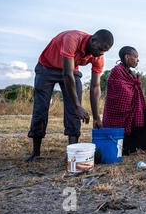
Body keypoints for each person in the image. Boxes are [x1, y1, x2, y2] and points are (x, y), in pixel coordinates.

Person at [26, 29, 114, 162]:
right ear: (93, 40)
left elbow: (95, 86)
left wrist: (96, 117)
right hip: (47, 67)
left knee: (73, 112)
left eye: (105, 51)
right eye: (100, 49)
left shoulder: (99, 57)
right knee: (41, 108)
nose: (101, 53)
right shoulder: (72, 39)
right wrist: (77, 105)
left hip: (71, 70)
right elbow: (67, 74)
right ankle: (36, 152)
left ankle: (72, 154)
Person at [103, 46, 146, 154]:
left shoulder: (130, 73)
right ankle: (129, 146)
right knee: (142, 119)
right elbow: (122, 96)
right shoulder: (117, 71)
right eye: (136, 57)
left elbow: (135, 94)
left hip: (134, 111)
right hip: (119, 114)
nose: (137, 60)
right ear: (127, 57)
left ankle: (137, 145)